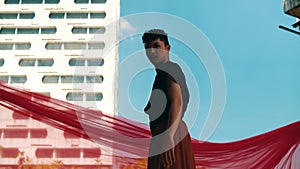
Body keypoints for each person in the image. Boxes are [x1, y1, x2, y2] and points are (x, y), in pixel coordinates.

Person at [142, 29, 196, 169]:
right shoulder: (162, 73)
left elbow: (176, 101)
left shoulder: (168, 69)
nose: (152, 51)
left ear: (168, 48)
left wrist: (169, 136)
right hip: (168, 136)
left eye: (156, 46)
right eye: (147, 47)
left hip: (170, 136)